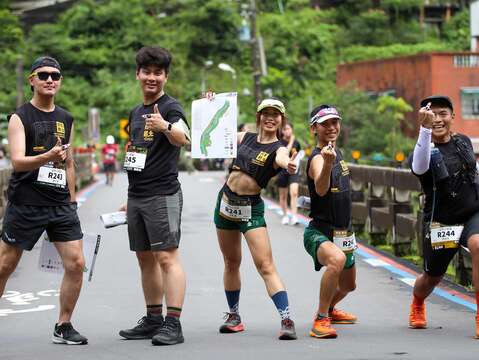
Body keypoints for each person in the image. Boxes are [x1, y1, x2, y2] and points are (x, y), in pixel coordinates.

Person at [0, 56, 87, 345]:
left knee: (76, 264)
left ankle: (64, 325)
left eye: (56, 75)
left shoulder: (66, 118)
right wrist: (46, 157)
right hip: (26, 203)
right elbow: (18, 162)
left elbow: (70, 164)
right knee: (4, 266)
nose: (51, 79)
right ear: (32, 80)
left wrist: (72, 201)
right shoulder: (20, 117)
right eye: (44, 75)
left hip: (61, 205)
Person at [118, 46, 190, 346]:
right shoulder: (136, 112)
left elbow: (184, 137)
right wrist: (130, 196)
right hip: (138, 195)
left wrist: (166, 126)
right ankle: (153, 319)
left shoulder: (170, 107)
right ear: (138, 74)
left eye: (157, 73)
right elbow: (137, 154)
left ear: (165, 76)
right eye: (146, 71)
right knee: (144, 259)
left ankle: (173, 324)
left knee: (166, 257)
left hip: (163, 193)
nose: (151, 77)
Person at [213, 98, 298, 340]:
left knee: (265, 265)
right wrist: (211, 105)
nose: (271, 117)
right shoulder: (244, 137)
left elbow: (282, 158)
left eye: (276, 114)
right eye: (266, 113)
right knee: (231, 262)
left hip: (251, 208)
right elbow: (216, 132)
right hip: (226, 204)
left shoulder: (279, 148)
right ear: (259, 116)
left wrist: (289, 165)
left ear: (281, 120)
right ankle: (234, 316)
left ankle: (287, 319)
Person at [408, 95, 479, 338]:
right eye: (432, 114)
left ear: (452, 116)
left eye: (443, 113)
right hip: (442, 221)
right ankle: (417, 302)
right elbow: (418, 167)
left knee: (478, 244)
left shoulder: (463, 142)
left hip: (472, 213)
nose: (438, 119)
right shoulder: (423, 147)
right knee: (432, 277)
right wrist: (424, 130)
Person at [304, 105, 357, 339]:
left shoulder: (339, 153)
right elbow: (321, 188)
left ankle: (330, 309)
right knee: (336, 260)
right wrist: (326, 163)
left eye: (335, 122)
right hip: (320, 232)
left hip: (344, 233)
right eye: (325, 124)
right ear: (314, 128)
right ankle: (321, 319)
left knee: (348, 286)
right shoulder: (318, 158)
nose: (332, 127)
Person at [276, 122, 301, 225]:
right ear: (282, 131)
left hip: (293, 170)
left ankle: (294, 216)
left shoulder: (297, 143)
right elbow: (285, 152)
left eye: (289, 129)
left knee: (294, 192)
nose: (287, 131)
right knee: (283, 195)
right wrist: (290, 141)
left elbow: (297, 154)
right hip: (282, 171)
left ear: (292, 129)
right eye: (285, 129)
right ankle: (285, 215)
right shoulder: (279, 142)